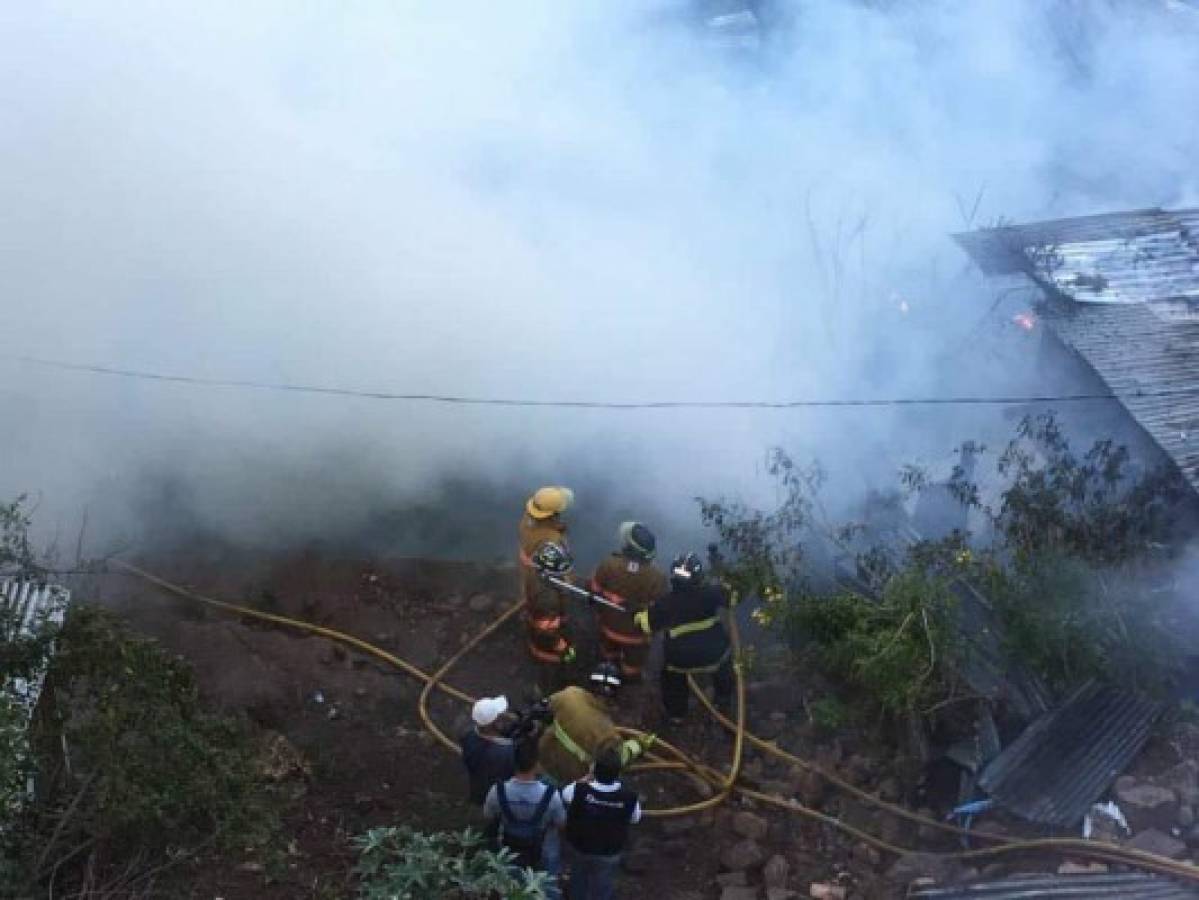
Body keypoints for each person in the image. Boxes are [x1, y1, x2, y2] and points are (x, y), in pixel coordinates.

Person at [634, 551, 733, 722]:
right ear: (699, 575)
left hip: (680, 661)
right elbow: (732, 597)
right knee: (725, 665)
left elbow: (646, 625)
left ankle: (676, 714)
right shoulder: (711, 593)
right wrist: (722, 576)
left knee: (671, 678)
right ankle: (723, 698)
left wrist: (637, 614)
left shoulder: (666, 602)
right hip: (714, 655)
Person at [483, 736, 566, 896]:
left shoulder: (497, 790)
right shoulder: (551, 794)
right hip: (542, 846)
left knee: (510, 882)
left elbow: (488, 816)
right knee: (551, 860)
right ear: (536, 764)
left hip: (509, 844)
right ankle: (548, 893)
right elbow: (562, 823)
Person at [589, 522, 667, 683]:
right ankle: (629, 682)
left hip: (608, 626)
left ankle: (608, 668)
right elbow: (660, 608)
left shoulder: (609, 564)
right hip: (637, 636)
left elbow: (594, 589)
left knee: (608, 653)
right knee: (633, 666)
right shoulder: (658, 577)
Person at [561, 744, 641, 900]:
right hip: (609, 852)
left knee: (578, 883)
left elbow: (565, 795)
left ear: (594, 770)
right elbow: (635, 818)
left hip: (581, 849)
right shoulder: (629, 797)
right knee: (603, 887)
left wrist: (587, 777)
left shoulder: (578, 790)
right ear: (618, 773)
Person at [536, 685, 652, 786]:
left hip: (544, 763)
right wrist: (639, 745)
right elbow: (617, 758)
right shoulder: (608, 733)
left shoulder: (570, 694)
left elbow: (543, 708)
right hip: (573, 779)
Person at [518, 486, 577, 683]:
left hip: (532, 577)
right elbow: (545, 622)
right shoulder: (552, 540)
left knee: (540, 609)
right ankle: (549, 659)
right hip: (546, 589)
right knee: (546, 620)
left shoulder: (526, 523)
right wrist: (561, 646)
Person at [460, 695, 516, 806]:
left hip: (479, 791)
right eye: (499, 716)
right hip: (501, 800)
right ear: (495, 723)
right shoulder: (506, 753)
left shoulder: (468, 736)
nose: (503, 716)